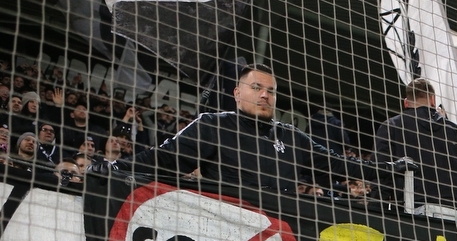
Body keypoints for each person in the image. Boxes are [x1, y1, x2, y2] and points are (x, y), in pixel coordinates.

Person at [91, 64, 371, 194]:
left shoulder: (292, 136)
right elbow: (166, 159)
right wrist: (117, 168)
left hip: (283, 234)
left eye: (271, 91)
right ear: (237, 93)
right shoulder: (213, 125)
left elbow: (338, 165)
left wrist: (389, 168)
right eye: (257, 88)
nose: (265, 96)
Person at [374, 78, 457, 209]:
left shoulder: (391, 126)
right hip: (456, 215)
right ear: (433, 100)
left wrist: (377, 210)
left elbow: (380, 172)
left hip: (411, 213)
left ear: (406, 103)